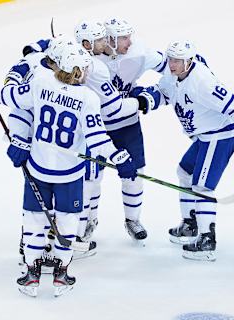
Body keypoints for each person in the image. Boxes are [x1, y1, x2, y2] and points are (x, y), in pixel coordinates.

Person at [1, 44, 137, 297]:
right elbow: (97, 139)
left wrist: (15, 75)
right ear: (79, 70)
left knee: (34, 220)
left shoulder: (40, 83)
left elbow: (9, 98)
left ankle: (31, 272)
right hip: (70, 174)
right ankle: (61, 274)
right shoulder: (88, 98)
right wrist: (118, 157)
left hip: (38, 168)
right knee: (67, 222)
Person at [130, 40, 234, 261]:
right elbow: (165, 92)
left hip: (220, 136)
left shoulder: (202, 81)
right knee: (184, 172)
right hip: (205, 137)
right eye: (170, 59)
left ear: (189, 61)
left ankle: (207, 240)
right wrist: (144, 99)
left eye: (177, 60)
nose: (172, 64)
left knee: (203, 186)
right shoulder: (173, 74)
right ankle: (190, 224)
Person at [82, 17, 167, 244]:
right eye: (123, 38)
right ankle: (89, 221)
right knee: (91, 179)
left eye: (129, 36)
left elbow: (172, 65)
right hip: (95, 127)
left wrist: (197, 69)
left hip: (127, 125)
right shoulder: (87, 61)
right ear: (107, 40)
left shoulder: (137, 52)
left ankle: (132, 220)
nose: (130, 41)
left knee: (133, 175)